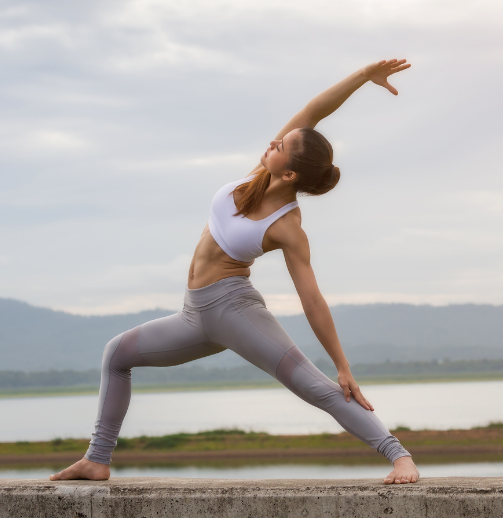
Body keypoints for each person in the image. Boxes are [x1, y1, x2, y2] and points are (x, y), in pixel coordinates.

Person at [49, 59, 419, 484]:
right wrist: (361, 76)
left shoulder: (287, 227)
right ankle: (97, 460)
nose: (274, 142)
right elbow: (315, 110)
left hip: (235, 313)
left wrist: (343, 366)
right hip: (193, 316)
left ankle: (400, 457)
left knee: (316, 388)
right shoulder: (258, 177)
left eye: (281, 146)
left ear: (291, 172)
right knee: (116, 354)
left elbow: (312, 299)